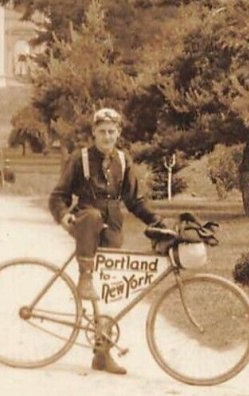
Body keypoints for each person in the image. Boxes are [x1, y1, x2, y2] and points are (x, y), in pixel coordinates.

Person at [48, 107, 163, 375]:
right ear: (94, 133)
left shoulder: (123, 161)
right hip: (85, 223)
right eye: (102, 132)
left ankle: (102, 354)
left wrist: (157, 222)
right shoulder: (81, 159)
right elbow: (58, 196)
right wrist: (63, 215)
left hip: (112, 228)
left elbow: (136, 201)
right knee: (91, 215)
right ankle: (84, 276)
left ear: (119, 133)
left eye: (112, 132)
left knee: (110, 292)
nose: (107, 136)